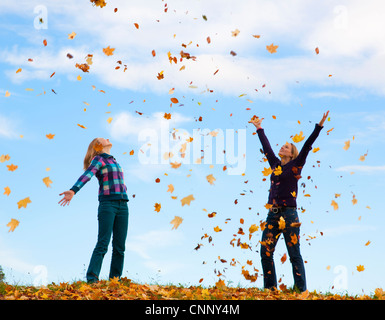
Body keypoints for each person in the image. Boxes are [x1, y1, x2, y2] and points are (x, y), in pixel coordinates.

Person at [249, 111, 329, 292]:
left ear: (292, 154)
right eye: (283, 146)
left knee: (294, 254)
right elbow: (267, 148)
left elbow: (308, 145)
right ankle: (270, 290)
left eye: (286, 147)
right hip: (273, 215)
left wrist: (319, 126)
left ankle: (301, 291)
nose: (282, 148)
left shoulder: (296, 165)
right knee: (265, 253)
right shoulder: (276, 166)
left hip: (290, 214)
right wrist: (259, 128)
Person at [58, 137, 129, 283]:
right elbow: (87, 175)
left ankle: (115, 280)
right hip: (108, 205)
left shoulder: (114, 160)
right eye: (104, 139)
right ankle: (92, 278)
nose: (108, 139)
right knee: (103, 243)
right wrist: (73, 190)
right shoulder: (99, 159)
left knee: (120, 247)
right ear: (97, 146)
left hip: (123, 205)